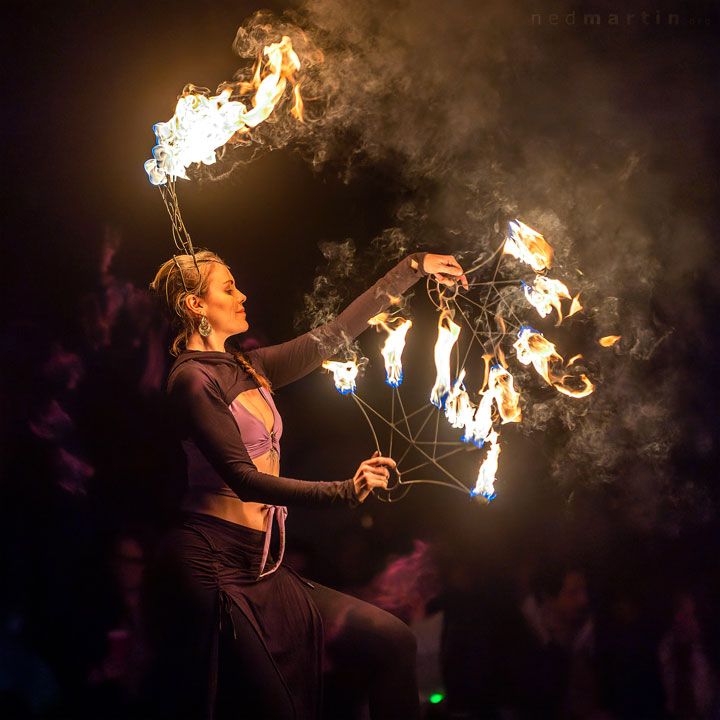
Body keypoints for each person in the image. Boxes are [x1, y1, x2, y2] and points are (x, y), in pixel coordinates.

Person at [143, 248, 467, 720]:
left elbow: (333, 334)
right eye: (228, 288)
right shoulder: (191, 380)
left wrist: (411, 268)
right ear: (196, 305)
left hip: (264, 567)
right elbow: (243, 480)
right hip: (214, 567)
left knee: (395, 640)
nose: (242, 295)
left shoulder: (250, 367)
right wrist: (343, 490)